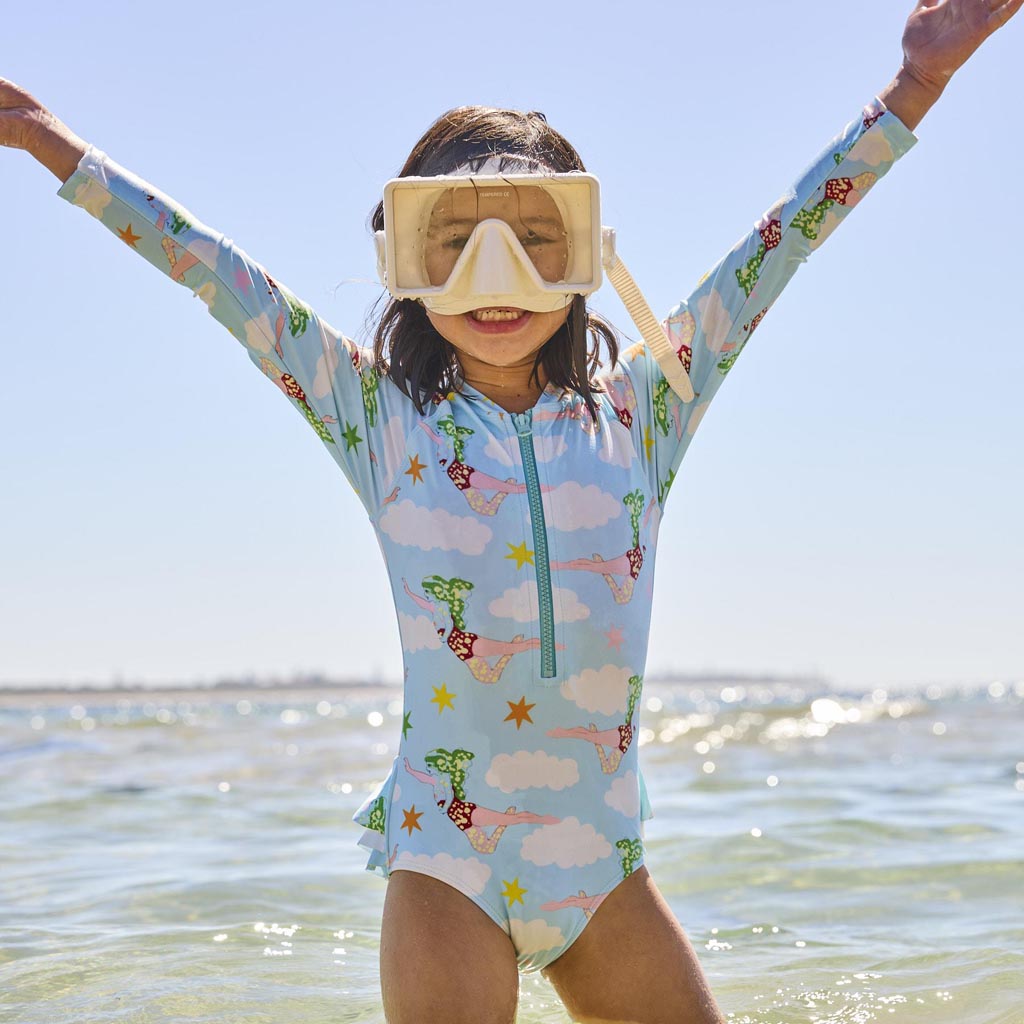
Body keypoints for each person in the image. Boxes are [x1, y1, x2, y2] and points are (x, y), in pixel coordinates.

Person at [3, 2, 1019, 1021]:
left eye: (536, 241)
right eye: (453, 244)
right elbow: (213, 273)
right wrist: (52, 143)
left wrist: (914, 86)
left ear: (587, 254)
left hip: (603, 871)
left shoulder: (646, 407)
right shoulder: (379, 419)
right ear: (405, 262)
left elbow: (785, 239)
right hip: (448, 866)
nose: (497, 279)